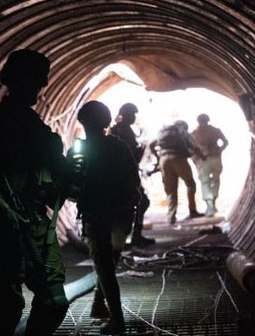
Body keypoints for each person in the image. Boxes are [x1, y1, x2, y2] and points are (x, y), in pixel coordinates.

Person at [0, 49, 77, 336]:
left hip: (37, 224)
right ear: (15, 81)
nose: (38, 91)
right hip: (3, 225)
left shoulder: (34, 125)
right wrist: (1, 209)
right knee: (8, 302)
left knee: (54, 301)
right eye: (35, 83)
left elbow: (59, 176)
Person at [66, 101, 141, 335]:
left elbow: (71, 189)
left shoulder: (79, 152)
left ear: (82, 123)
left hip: (97, 214)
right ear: (107, 122)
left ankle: (116, 319)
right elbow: (133, 178)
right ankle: (99, 305)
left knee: (104, 264)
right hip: (122, 213)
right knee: (111, 260)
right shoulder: (120, 147)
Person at [108, 102, 156, 246]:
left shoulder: (117, 129)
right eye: (132, 114)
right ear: (126, 115)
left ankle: (119, 237)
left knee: (128, 204)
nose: (134, 117)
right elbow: (129, 155)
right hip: (125, 176)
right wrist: (140, 150)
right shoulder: (124, 131)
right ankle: (133, 236)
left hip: (117, 175)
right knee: (141, 202)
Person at [148, 120, 201, 225]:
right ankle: (192, 210)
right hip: (179, 159)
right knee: (190, 184)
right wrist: (199, 156)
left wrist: (158, 156)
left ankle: (171, 217)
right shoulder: (182, 132)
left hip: (164, 160)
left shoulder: (163, 132)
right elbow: (193, 147)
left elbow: (151, 144)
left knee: (170, 189)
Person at [190, 113, 229, 217]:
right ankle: (214, 204)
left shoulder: (194, 133)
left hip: (203, 160)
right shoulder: (215, 130)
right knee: (215, 180)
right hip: (216, 157)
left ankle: (210, 206)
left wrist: (195, 160)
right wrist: (220, 150)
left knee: (205, 182)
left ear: (198, 121)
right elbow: (225, 142)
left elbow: (192, 149)